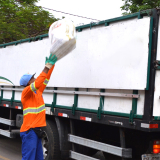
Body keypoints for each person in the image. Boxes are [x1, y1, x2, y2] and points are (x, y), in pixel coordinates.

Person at [19, 54, 57, 160]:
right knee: (29, 158)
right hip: (29, 131)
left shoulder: (38, 92)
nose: (35, 78)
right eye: (33, 78)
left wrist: (51, 66)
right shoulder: (26, 92)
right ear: (29, 82)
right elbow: (38, 82)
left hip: (36, 130)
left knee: (39, 158)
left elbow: (45, 79)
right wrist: (46, 67)